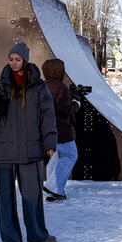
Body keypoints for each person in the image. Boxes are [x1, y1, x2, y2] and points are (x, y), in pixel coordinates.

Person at [0, 42, 57, 242]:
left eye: (17, 59)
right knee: (5, 199)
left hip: (30, 150)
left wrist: (49, 143)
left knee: (32, 196)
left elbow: (47, 117)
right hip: (4, 151)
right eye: (11, 59)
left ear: (25, 60)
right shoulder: (0, 86)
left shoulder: (39, 87)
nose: (13, 63)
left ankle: (37, 234)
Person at [41, 58, 80, 202]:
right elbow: (65, 110)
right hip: (62, 130)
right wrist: (76, 102)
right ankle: (53, 186)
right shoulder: (61, 87)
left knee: (54, 159)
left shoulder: (42, 86)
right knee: (70, 155)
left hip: (47, 130)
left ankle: (56, 192)